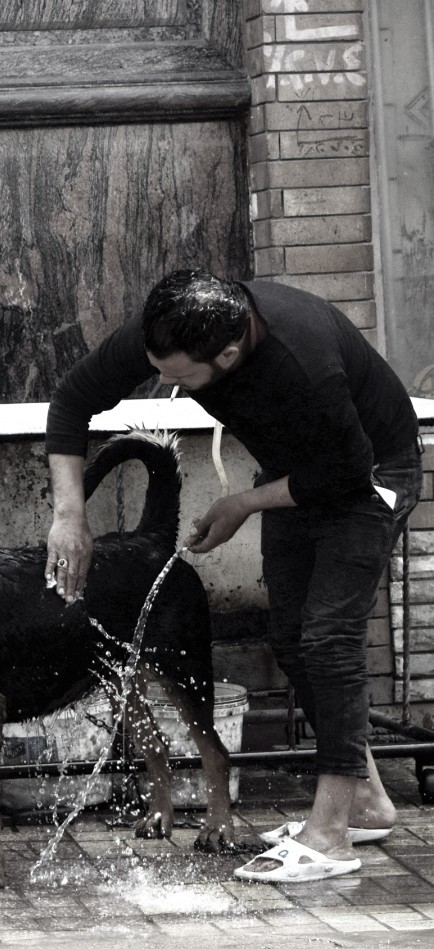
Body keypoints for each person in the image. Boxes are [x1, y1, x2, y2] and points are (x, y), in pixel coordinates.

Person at [44, 269, 420, 884]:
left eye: (181, 376)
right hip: (297, 471)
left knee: (329, 642)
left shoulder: (304, 362)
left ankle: (328, 836)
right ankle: (369, 802)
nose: (164, 382)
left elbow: (346, 474)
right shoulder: (172, 325)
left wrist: (240, 504)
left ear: (229, 352)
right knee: (294, 639)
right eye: (158, 366)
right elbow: (73, 398)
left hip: (371, 475)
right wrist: (69, 516)